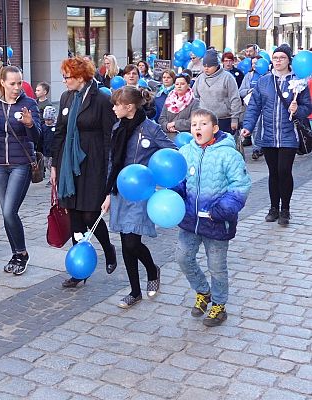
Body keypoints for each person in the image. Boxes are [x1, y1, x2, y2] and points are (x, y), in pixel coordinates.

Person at [175, 108, 251, 327]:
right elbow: (180, 181)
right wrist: (175, 194)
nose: (197, 128)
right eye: (194, 125)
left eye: (203, 124)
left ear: (215, 128)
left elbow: (240, 186)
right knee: (182, 257)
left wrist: (223, 210)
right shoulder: (186, 152)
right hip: (190, 220)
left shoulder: (228, 154)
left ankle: (219, 305)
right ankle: (203, 292)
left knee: (217, 266)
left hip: (217, 221)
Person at [102, 86, 177, 308]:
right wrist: (107, 192)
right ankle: (134, 291)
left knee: (133, 242)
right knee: (126, 242)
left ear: (129, 107)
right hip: (121, 190)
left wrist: (154, 176)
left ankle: (152, 269)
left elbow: (170, 152)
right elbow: (112, 162)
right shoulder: (118, 127)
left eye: (116, 105)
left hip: (141, 192)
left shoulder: (150, 129)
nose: (114, 108)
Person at [51, 57, 117, 288]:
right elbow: (59, 131)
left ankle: (108, 249)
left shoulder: (101, 99)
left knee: (90, 214)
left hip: (94, 163)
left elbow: (111, 137)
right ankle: (80, 269)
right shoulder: (66, 97)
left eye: (67, 77)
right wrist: (55, 165)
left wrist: (110, 170)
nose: (64, 81)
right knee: (75, 216)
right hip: (70, 164)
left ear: (80, 77)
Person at [242, 44, 312, 226]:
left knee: (284, 171)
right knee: (273, 173)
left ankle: (285, 209)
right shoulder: (264, 81)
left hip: (289, 135)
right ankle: (273, 208)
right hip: (268, 135)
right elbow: (254, 107)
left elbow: (307, 107)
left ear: (289, 60)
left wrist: (298, 110)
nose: (278, 61)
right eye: (275, 58)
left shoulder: (298, 82)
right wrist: (248, 126)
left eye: (282, 58)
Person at [0, 66, 41, 275]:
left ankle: (22, 253)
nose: (17, 88)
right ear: (2, 83)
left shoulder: (29, 104)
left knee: (9, 211)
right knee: (7, 215)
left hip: (21, 164)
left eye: (19, 83)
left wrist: (30, 124)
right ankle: (16, 253)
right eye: (12, 83)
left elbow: (38, 139)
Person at [193, 49, 241, 134]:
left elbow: (235, 98)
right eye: (204, 66)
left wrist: (234, 119)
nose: (206, 68)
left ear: (216, 65)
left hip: (224, 120)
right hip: (204, 120)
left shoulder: (227, 78)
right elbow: (194, 97)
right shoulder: (200, 78)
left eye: (210, 66)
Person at [159, 73, 200, 138]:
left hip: (185, 137)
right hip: (167, 136)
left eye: (182, 84)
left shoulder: (195, 102)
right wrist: (167, 126)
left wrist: (175, 124)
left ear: (188, 85)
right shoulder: (169, 99)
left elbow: (193, 122)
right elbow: (161, 118)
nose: (179, 86)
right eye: (177, 84)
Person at [239, 56, 264, 160]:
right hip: (251, 105)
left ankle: (261, 146)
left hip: (265, 106)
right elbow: (241, 91)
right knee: (254, 128)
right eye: (253, 63)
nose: (255, 65)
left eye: (257, 63)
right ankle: (256, 149)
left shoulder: (266, 75)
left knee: (262, 127)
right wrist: (249, 91)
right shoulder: (248, 76)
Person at [40, 106, 57, 187]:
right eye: (46, 120)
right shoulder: (43, 127)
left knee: (51, 165)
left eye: (49, 120)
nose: (47, 122)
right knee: (46, 164)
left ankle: (53, 178)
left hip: (53, 151)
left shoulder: (56, 127)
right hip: (45, 150)